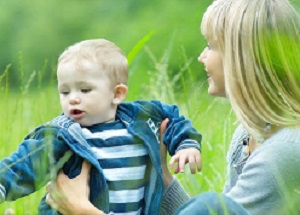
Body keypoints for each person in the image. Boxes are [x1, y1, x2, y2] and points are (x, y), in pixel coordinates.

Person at [46, 0, 300, 214]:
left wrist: (83, 210)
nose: (201, 56)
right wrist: (160, 175)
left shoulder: (284, 152)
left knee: (210, 203)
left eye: (210, 46)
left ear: (241, 58)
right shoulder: (248, 135)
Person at [0, 39, 202, 215]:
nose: (73, 99)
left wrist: (186, 144)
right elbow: (25, 163)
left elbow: (173, 118)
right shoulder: (63, 135)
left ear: (117, 94)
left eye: (85, 89)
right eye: (65, 91)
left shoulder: (140, 119)